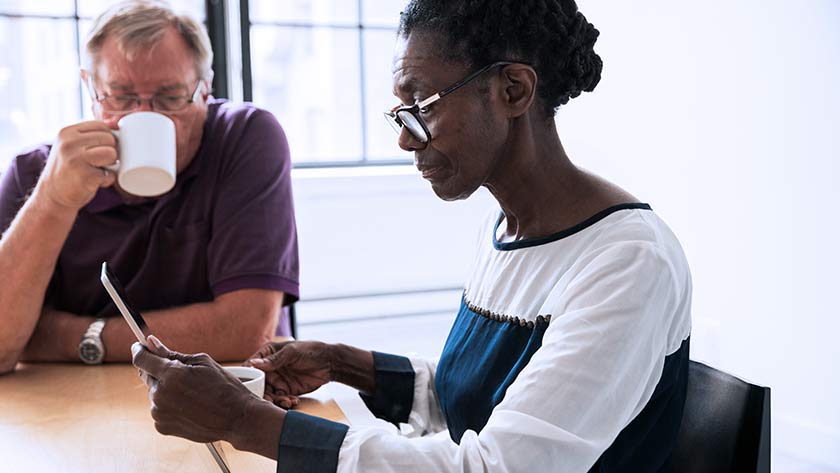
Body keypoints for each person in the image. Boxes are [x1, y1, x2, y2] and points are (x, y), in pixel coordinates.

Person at [131, 0, 692, 471]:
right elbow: (470, 403)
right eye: (398, 116)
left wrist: (243, 420)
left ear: (514, 90)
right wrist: (341, 363)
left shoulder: (627, 262)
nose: (405, 140)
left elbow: (498, 466)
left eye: (418, 109)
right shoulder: (508, 231)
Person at [0, 1, 299, 373]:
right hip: (73, 406)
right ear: (91, 91)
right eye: (121, 97)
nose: (142, 116)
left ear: (204, 91)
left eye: (170, 97)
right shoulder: (35, 175)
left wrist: (75, 338)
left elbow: (246, 330)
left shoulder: (244, 138)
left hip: (222, 394)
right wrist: (54, 201)